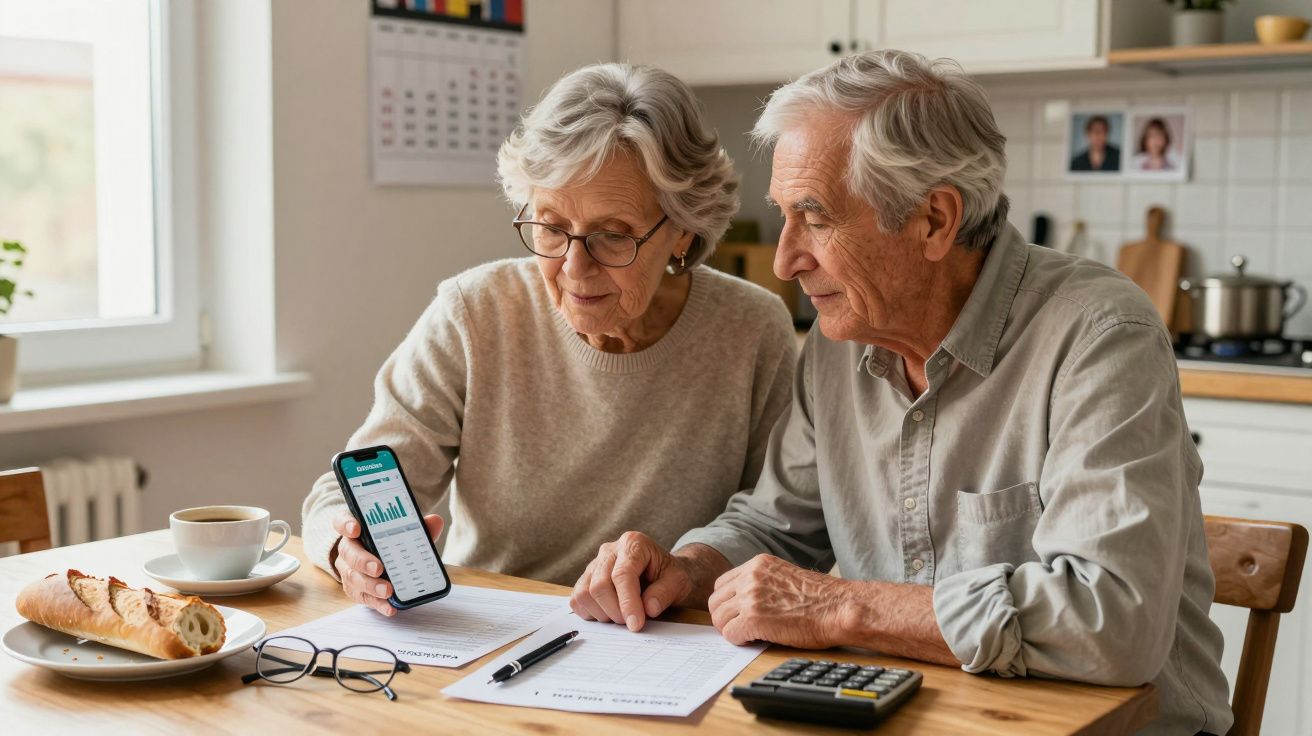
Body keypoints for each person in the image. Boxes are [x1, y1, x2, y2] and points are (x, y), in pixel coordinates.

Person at [573, 51, 1231, 736]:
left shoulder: (1098, 334)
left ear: (935, 220)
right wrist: (684, 568)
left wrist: (842, 608)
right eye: (783, 216)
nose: (785, 259)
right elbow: (776, 526)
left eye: (815, 218)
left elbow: (1113, 622)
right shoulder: (838, 338)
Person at [301, 63, 797, 615]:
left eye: (613, 236)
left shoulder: (751, 329)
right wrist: (348, 547)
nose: (574, 268)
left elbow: (776, 524)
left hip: (664, 636)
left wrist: (692, 568)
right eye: (551, 227)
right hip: (492, 631)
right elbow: (348, 490)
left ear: (683, 229)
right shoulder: (475, 313)